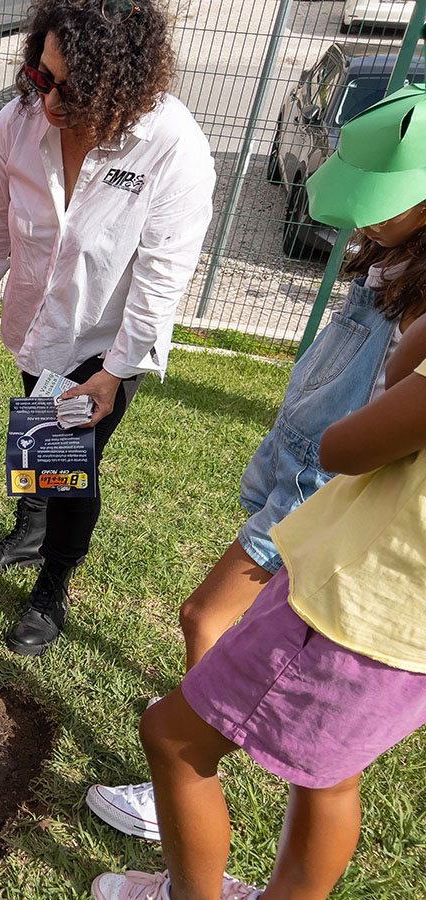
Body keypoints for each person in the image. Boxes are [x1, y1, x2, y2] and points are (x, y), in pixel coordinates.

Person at [86, 84, 426, 843]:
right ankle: (204, 732)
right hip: (301, 462)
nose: (364, 219)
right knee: (324, 763)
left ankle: (191, 757)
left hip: (328, 487)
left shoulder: (420, 305)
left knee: (205, 614)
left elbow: (375, 427)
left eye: (385, 201)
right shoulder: (393, 261)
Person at [92, 317, 426, 900]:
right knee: (330, 779)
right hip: (410, 632)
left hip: (351, 606)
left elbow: (345, 445)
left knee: (173, 738)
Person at [0, 0, 215, 656]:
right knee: (40, 440)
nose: (50, 100)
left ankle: (52, 585)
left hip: (108, 343)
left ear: (121, 83)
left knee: (69, 464)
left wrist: (114, 374)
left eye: (72, 88)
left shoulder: (171, 146)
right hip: (42, 326)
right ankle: (29, 532)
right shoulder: (19, 122)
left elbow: (161, 277)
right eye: (41, 76)